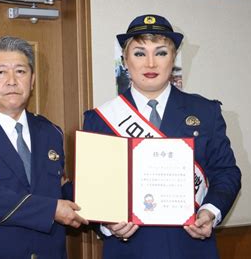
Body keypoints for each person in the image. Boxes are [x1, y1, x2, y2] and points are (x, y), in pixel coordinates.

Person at [83, 14, 241, 258]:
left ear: (174, 58)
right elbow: (89, 187)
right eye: (139, 53)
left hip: (190, 246)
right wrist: (107, 222)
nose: (150, 64)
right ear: (125, 60)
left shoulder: (206, 112)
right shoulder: (101, 119)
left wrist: (209, 211)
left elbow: (226, 172)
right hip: (129, 248)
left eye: (160, 53)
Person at [0, 36, 88, 259]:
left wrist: (109, 212)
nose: (12, 81)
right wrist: (50, 210)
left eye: (20, 71)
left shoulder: (50, 132)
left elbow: (60, 188)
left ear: (32, 80)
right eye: (0, 72)